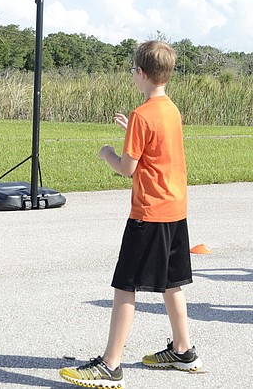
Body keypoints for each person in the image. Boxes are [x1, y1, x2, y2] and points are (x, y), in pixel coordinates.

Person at [59, 41, 202, 388]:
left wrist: (107, 152)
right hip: (175, 209)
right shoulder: (170, 109)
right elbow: (157, 148)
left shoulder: (141, 115)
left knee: (125, 285)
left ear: (140, 73)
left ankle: (111, 364)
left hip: (148, 212)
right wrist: (131, 133)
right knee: (171, 282)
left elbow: (127, 167)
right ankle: (183, 350)